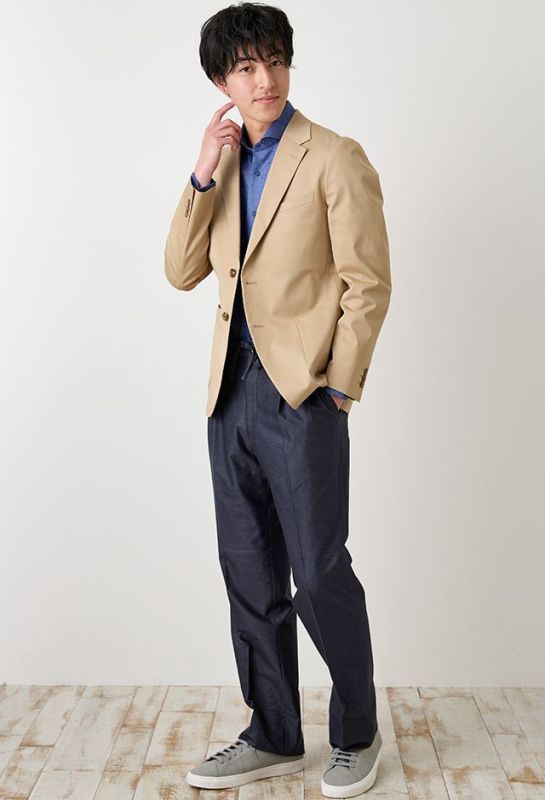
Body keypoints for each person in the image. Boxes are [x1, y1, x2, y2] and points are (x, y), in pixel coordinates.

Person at [164, 3, 391, 796]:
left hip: (301, 394)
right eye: (244, 67)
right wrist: (201, 171)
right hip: (228, 394)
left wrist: (338, 387)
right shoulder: (224, 165)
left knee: (319, 571)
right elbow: (180, 271)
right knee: (249, 571)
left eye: (274, 61)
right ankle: (273, 732)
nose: (263, 79)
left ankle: (356, 733)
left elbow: (367, 283)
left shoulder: (333, 156)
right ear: (221, 82)